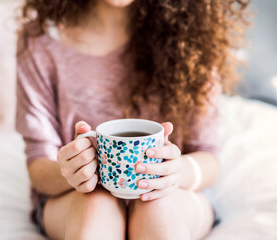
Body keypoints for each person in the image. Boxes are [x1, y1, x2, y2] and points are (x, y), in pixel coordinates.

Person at [15, 0, 248, 239]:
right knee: (96, 204)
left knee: (155, 204)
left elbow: (208, 157)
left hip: (172, 195)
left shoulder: (192, 38)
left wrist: (177, 172)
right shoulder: (41, 41)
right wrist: (68, 171)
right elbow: (38, 167)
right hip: (73, 198)